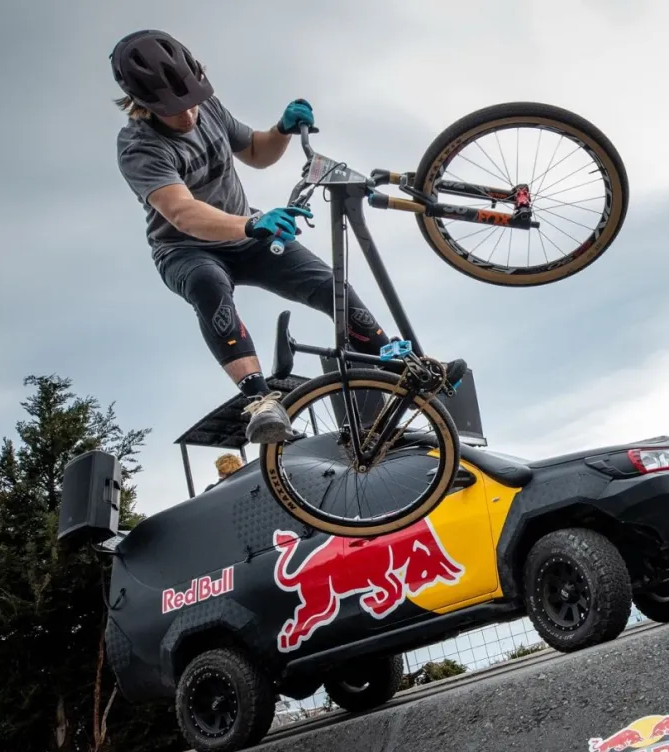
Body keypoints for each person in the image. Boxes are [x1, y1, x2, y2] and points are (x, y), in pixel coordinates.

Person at [110, 29, 466, 444]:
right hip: (185, 250)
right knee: (208, 285)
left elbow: (257, 152)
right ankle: (260, 401)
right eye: (174, 110)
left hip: (248, 235)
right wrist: (248, 225)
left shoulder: (207, 107)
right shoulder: (139, 147)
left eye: (190, 101)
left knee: (331, 288)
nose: (189, 116)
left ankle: (397, 368)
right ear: (143, 104)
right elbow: (182, 213)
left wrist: (280, 128)